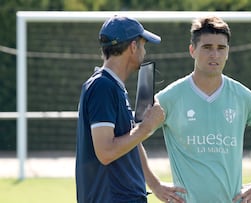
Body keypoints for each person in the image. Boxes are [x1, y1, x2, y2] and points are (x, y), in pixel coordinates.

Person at [155, 16, 251, 203]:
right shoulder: (169, 98)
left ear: (227, 52)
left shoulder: (242, 96)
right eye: (207, 47)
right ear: (192, 50)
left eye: (221, 49)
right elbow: (134, 140)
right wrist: (154, 185)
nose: (214, 55)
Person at [75, 16, 185, 203]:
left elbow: (130, 141)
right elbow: (106, 152)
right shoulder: (103, 86)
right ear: (133, 47)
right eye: (143, 45)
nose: (144, 51)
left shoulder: (113, 86)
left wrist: (155, 185)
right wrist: (147, 127)